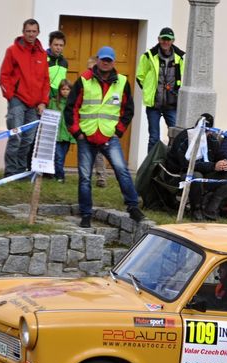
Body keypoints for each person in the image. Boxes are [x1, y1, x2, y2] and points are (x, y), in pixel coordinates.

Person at [64, 46, 144, 228]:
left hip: (109, 136)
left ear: (114, 62)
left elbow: (128, 110)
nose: (105, 63)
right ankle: (86, 214)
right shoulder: (84, 80)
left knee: (122, 170)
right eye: (103, 59)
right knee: (84, 177)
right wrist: (77, 133)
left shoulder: (122, 82)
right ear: (98, 60)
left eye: (109, 60)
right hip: (87, 135)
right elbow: (71, 108)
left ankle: (133, 207)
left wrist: (118, 131)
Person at [0, 19, 50, 177]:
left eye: (34, 31)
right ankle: (10, 172)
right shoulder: (12, 50)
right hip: (17, 101)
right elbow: (4, 76)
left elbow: (45, 81)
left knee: (28, 139)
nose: (31, 34)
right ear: (23, 31)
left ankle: (20, 172)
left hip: (34, 105)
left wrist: (43, 102)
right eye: (28, 31)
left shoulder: (42, 54)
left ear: (38, 33)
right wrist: (10, 96)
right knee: (16, 136)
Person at [166, 113, 227, 221]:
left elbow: (220, 155)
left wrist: (224, 163)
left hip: (207, 172)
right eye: (203, 131)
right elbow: (186, 165)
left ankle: (211, 208)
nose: (205, 134)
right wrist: (213, 166)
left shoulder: (212, 139)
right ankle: (196, 209)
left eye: (207, 132)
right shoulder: (185, 137)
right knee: (196, 176)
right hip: (183, 173)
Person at [136, 27, 185, 152]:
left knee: (177, 136)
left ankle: (169, 164)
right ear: (159, 39)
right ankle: (150, 168)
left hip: (172, 104)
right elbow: (140, 76)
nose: (166, 42)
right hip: (154, 105)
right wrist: (150, 91)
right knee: (154, 138)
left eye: (168, 39)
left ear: (173, 41)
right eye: (163, 39)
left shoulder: (180, 57)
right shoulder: (148, 56)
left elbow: (184, 78)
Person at [87, 55, 108, 188]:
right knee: (86, 153)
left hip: (100, 124)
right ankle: (86, 177)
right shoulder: (84, 81)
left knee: (100, 153)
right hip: (87, 124)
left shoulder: (105, 84)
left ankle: (101, 177)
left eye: (92, 68)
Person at [50, 79, 76, 182]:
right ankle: (60, 177)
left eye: (68, 89)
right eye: (63, 89)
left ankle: (55, 174)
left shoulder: (73, 104)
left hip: (67, 135)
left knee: (62, 157)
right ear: (59, 90)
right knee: (58, 157)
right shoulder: (53, 102)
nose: (65, 91)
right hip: (55, 134)